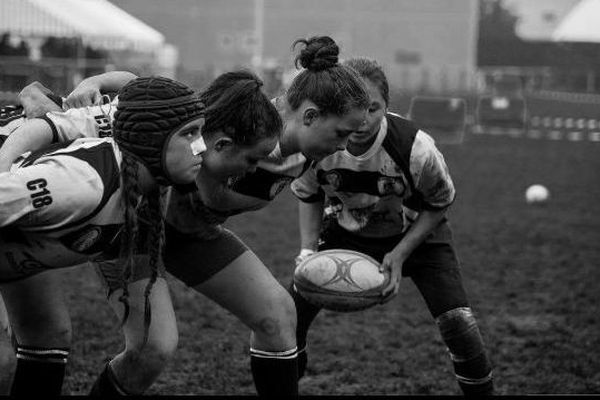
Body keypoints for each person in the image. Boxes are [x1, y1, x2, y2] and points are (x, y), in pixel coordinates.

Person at [2, 35, 370, 396]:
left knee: (277, 315)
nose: (346, 144)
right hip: (133, 226)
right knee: (149, 349)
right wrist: (94, 84)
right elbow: (144, 96)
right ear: (309, 115)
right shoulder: (234, 116)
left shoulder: (309, 151)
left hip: (191, 233)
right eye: (342, 133)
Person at [287, 57, 494, 395]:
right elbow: (309, 195)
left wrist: (399, 255)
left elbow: (438, 203)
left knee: (459, 324)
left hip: (419, 237)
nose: (364, 120)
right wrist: (307, 250)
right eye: (356, 108)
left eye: (374, 108)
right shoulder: (317, 143)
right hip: (346, 232)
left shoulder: (416, 147)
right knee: (288, 318)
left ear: (387, 106)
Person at [0, 75, 207, 395]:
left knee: (47, 336)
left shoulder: (134, 169)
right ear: (151, 140)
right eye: (191, 134)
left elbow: (132, 81)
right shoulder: (83, 184)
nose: (201, 146)